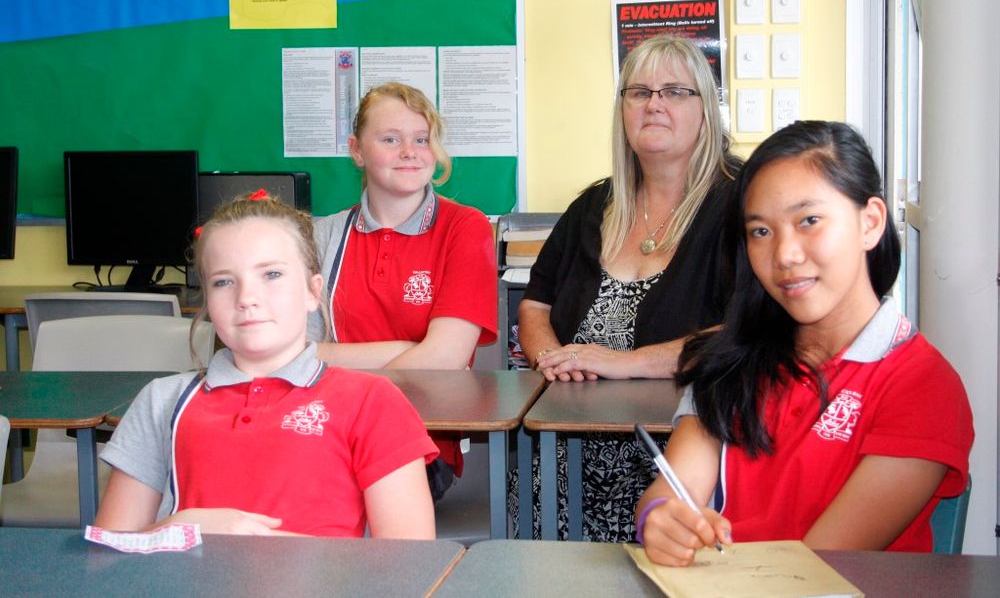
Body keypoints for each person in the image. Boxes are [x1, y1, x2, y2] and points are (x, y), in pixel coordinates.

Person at [636, 120, 974, 565]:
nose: (784, 255)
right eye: (761, 231)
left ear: (870, 223)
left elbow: (818, 567)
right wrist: (660, 521)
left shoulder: (922, 384)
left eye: (809, 220)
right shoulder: (729, 361)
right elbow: (672, 490)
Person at [95, 192, 438, 537]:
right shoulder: (162, 400)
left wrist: (262, 546)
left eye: (271, 274)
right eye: (223, 281)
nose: (246, 298)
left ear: (312, 291)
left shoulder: (373, 401)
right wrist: (181, 527)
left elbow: (409, 568)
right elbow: (109, 559)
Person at [514, 36, 741, 541]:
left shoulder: (739, 204)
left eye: (675, 91)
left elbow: (742, 333)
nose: (654, 103)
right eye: (638, 92)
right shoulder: (593, 206)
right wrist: (552, 359)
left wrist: (619, 362)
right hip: (563, 448)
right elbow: (535, 303)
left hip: (679, 456)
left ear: (706, 109)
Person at [309, 82, 497, 498]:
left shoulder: (465, 228)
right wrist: (412, 348)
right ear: (357, 150)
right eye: (391, 139)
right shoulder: (321, 236)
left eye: (421, 139)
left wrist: (329, 362)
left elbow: (445, 359)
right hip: (327, 431)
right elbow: (292, 359)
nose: (409, 152)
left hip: (419, 445)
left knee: (319, 505)